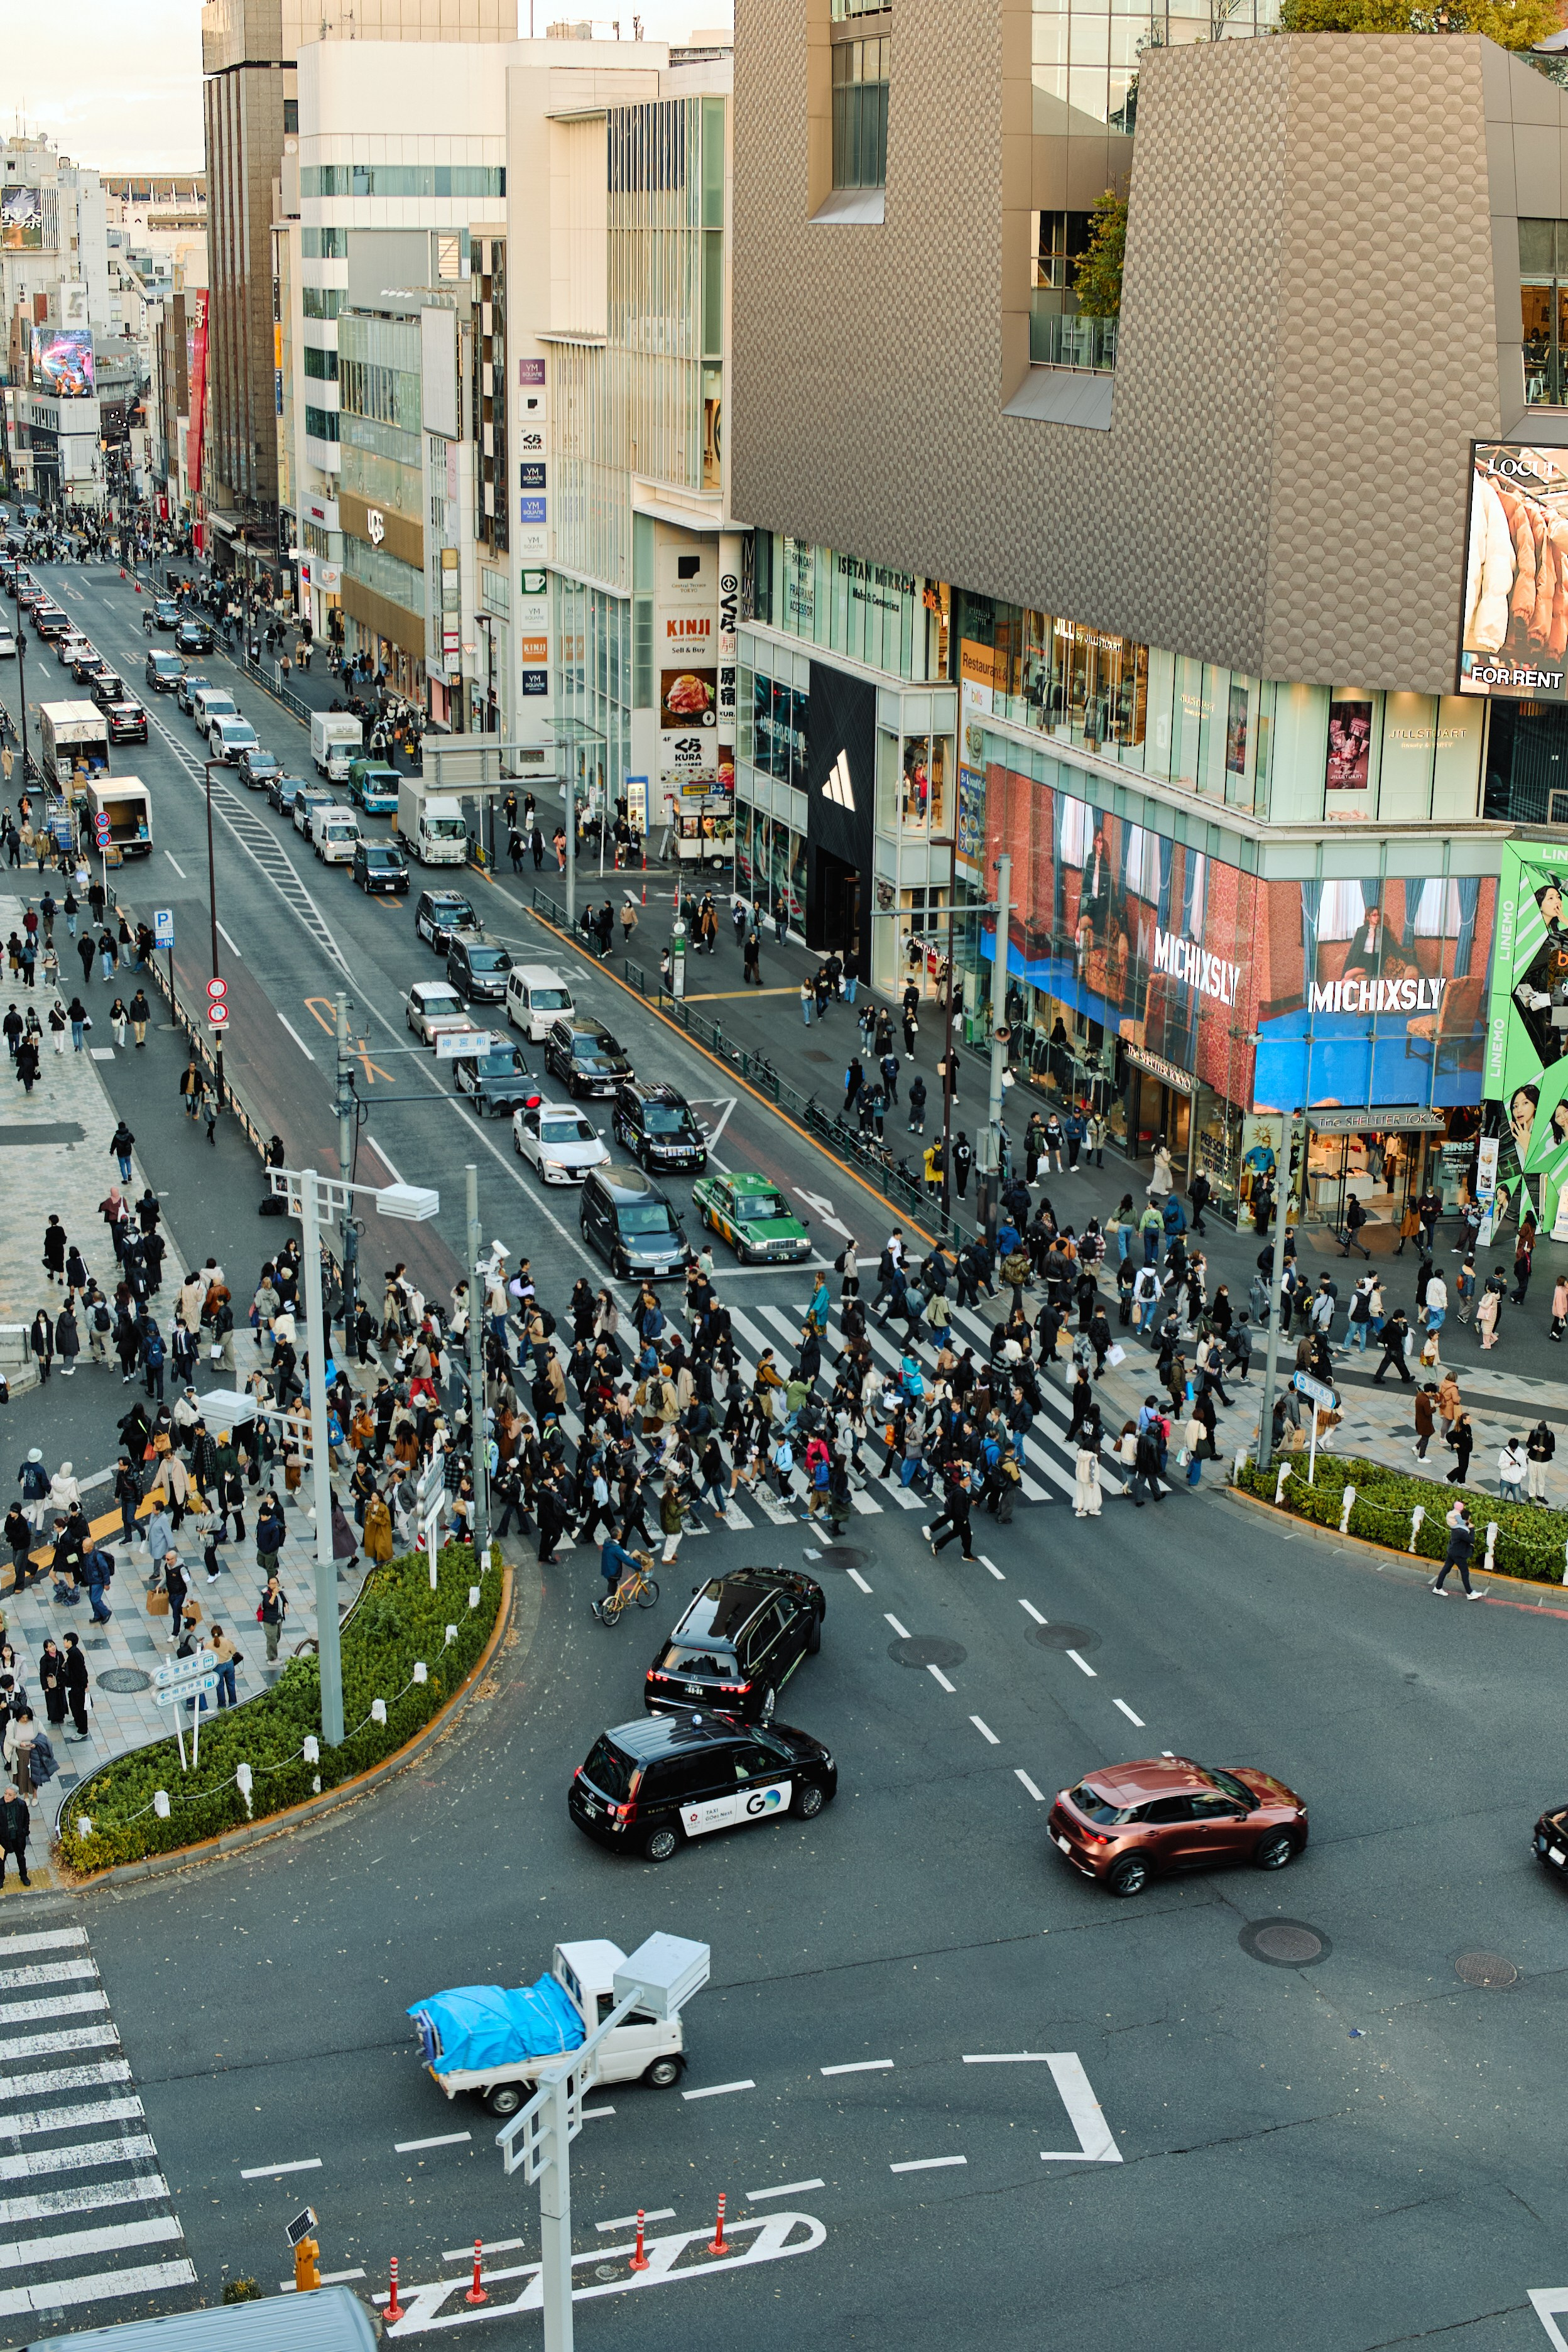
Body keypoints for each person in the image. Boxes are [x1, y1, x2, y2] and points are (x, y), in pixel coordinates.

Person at [1432, 1497, 1483, 1598]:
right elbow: (1471, 1540)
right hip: (1458, 1554)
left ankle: (1438, 1588)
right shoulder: (1462, 1531)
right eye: (1469, 1519)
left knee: (1446, 1569)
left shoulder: (1457, 1528)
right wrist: (1472, 1529)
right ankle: (1470, 1593)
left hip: (1452, 1551)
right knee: (1465, 1572)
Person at [60, 1631, 89, 1740]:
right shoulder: (72, 1653)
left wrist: (85, 1684)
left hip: (78, 1687)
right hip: (74, 1685)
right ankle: (77, 1720)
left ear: (70, 1642)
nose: (64, 1642)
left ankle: (83, 1730)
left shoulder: (74, 1655)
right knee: (73, 1704)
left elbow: (81, 1671)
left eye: (65, 1640)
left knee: (79, 1708)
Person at [0, 1783, 30, 1887]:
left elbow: (26, 1818)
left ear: (15, 1796)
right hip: (2, 1840)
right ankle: (0, 1879)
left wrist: (25, 1831)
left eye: (10, 1795)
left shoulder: (21, 1805)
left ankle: (24, 1876)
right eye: (6, 1793)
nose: (6, 1796)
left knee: (21, 1858)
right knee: (0, 1860)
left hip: (18, 1838)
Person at [258, 1572, 288, 1663]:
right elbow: (269, 1604)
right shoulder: (267, 1594)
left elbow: (284, 1600)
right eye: (272, 1583)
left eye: (276, 1583)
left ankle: (270, 1653)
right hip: (270, 1621)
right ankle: (272, 1658)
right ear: (268, 1585)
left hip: (279, 1619)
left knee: (276, 1638)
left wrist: (286, 1606)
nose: (274, 1585)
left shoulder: (280, 1592)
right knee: (272, 1639)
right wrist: (274, 1594)